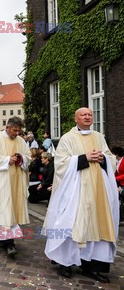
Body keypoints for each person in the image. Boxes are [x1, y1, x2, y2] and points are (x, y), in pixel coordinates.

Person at [44, 108, 118, 283]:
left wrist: (103, 159)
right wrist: (83, 158)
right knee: (71, 223)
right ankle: (65, 263)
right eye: (83, 115)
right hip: (75, 190)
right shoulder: (67, 138)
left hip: (98, 190)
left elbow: (111, 158)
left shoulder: (99, 137)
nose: (87, 117)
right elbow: (61, 163)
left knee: (97, 224)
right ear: (75, 118)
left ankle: (92, 265)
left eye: (90, 114)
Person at [0, 116, 30, 257]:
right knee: (4, 210)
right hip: (1, 181)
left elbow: (28, 157)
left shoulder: (21, 141)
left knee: (13, 210)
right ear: (7, 128)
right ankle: (9, 243)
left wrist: (22, 159)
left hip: (17, 181)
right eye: (15, 130)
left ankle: (5, 241)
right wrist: (6, 160)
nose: (17, 133)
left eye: (19, 131)